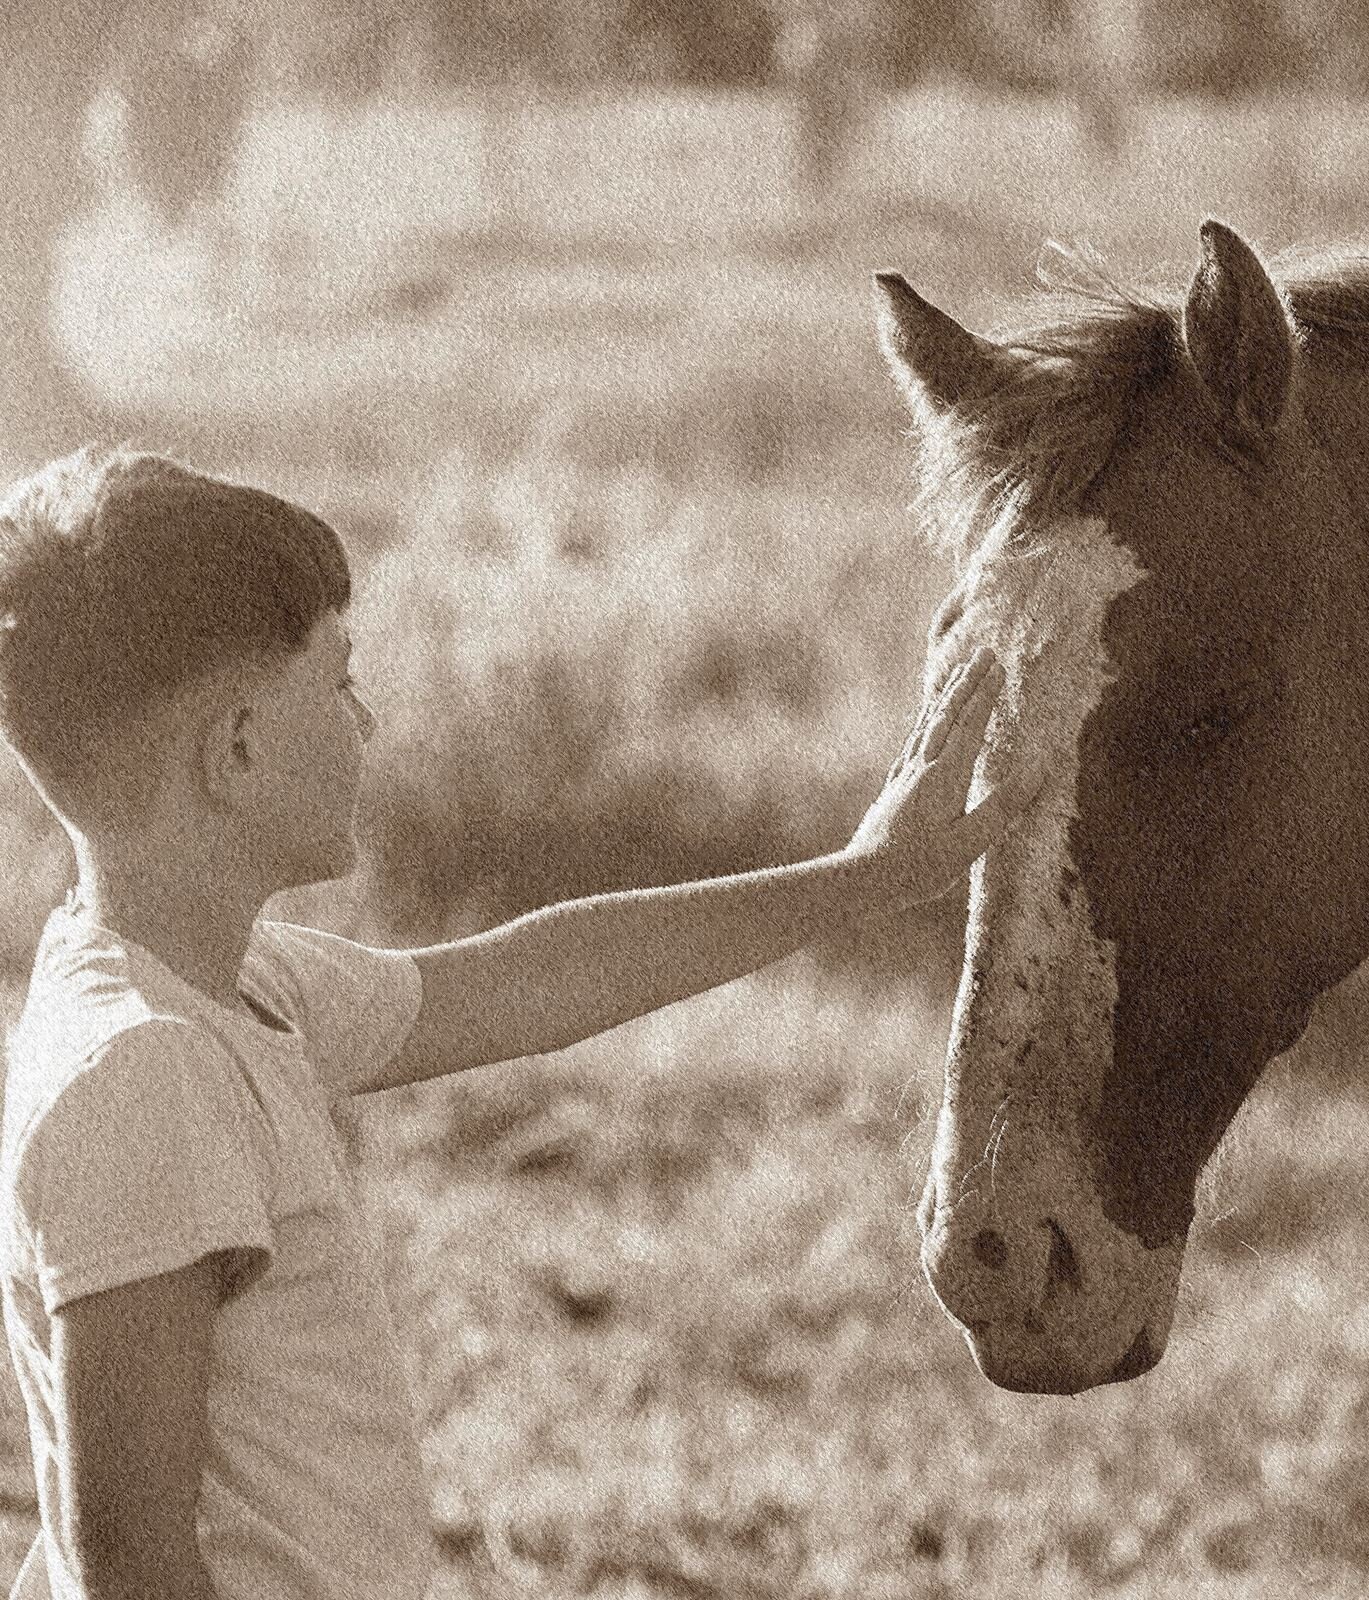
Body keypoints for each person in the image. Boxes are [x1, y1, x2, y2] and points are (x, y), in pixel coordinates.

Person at [0, 444, 1043, 1600]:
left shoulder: (231, 989)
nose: (370, 721)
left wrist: (859, 878)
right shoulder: (143, 1075)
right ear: (236, 747)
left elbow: (533, 978)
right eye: (337, 684)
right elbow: (130, 1564)